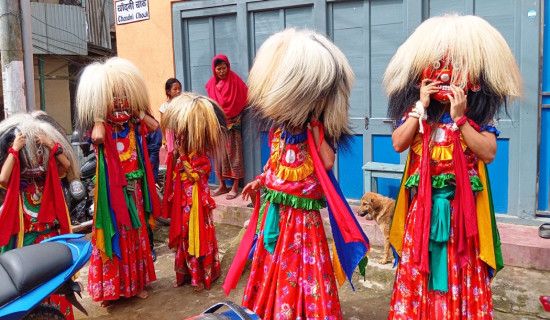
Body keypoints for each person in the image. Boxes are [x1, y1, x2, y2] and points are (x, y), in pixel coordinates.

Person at [222, 28, 370, 320]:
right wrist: (258, 181)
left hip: (304, 222)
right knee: (272, 266)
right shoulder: (277, 133)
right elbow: (274, 166)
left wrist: (316, 129)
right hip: (276, 213)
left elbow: (327, 162)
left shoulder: (315, 131)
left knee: (305, 270)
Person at [383, 14, 523, 319]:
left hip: (462, 215)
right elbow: (398, 143)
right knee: (421, 271)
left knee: (460, 268)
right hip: (422, 213)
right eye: (438, 69)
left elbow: (488, 153)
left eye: (455, 70)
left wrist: (460, 119)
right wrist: (419, 107)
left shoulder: (478, 117)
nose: (445, 77)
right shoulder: (418, 113)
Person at [76, 57, 160, 307]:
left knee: (135, 234)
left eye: (124, 96)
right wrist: (101, 115)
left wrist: (139, 111)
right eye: (115, 97)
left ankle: (135, 285)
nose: (121, 102)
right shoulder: (101, 127)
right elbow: (99, 137)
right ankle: (112, 289)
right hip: (111, 194)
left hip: (134, 192)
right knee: (115, 234)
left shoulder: (134, 124)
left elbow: (155, 126)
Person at [0, 113, 80, 320]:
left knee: (59, 287)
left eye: (38, 152)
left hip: (51, 243)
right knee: (34, 292)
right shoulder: (17, 187)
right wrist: (15, 149)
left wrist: (51, 144)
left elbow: (66, 166)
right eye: (30, 153)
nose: (35, 158)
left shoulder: (48, 181)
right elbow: (2, 178)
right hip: (28, 249)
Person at [160, 92, 226, 291]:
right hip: (183, 204)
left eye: (184, 134)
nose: (181, 137)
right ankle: (185, 275)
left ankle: (199, 277)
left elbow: (194, 177)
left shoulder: (201, 156)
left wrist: (182, 157)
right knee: (183, 236)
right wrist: (178, 157)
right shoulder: (181, 153)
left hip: (197, 206)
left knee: (196, 237)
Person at [206, 54, 247, 200]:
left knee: (234, 155)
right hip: (218, 125)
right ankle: (222, 185)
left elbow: (244, 98)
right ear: (214, 69)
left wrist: (234, 118)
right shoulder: (211, 84)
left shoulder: (235, 81)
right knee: (219, 156)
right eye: (219, 69)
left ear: (228, 67)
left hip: (233, 125)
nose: (222, 72)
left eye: (224, 68)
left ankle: (235, 186)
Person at [159, 78, 182, 158]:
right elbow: (163, 125)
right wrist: (164, 140)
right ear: (168, 91)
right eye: (175, 89)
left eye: (179, 89)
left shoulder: (184, 104)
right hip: (171, 135)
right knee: (173, 156)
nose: (178, 91)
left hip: (182, 134)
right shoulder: (164, 107)